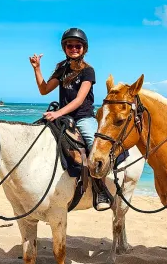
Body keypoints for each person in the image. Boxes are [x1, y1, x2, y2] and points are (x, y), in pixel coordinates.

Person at [29, 27, 112, 211]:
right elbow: (44, 90)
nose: (73, 48)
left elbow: (79, 100)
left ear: (84, 48)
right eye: (69, 45)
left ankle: (100, 190)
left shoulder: (88, 71)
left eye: (77, 46)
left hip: (82, 118)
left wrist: (58, 113)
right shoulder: (61, 69)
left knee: (93, 146)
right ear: (64, 47)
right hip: (64, 117)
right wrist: (37, 69)